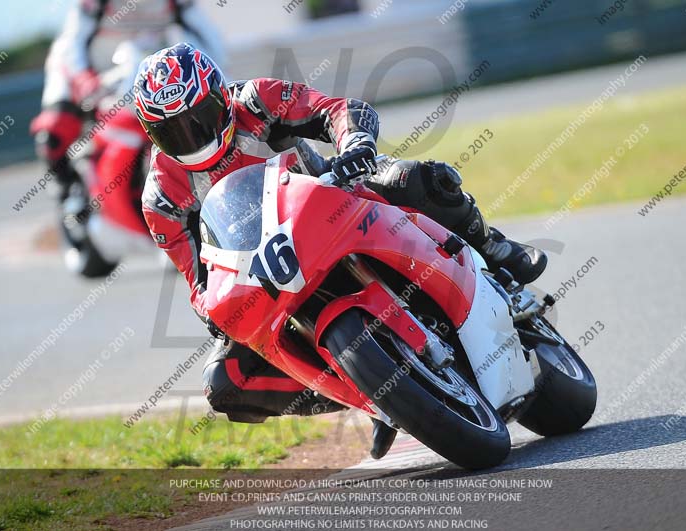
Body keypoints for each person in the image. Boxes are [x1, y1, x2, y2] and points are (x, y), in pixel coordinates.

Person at [135, 43, 547, 459]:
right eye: (173, 132)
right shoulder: (161, 198)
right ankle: (366, 394)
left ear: (220, 97)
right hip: (268, 272)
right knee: (226, 382)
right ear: (152, 136)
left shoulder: (257, 101)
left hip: (336, 199)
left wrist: (355, 146)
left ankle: (494, 250)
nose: (192, 138)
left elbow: (337, 110)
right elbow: (198, 282)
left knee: (418, 178)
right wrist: (216, 311)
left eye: (199, 119)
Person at [30, 0, 224, 199]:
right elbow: (73, 43)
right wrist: (83, 78)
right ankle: (69, 194)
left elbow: (208, 37)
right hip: (89, 71)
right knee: (53, 131)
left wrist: (214, 74)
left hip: (141, 73)